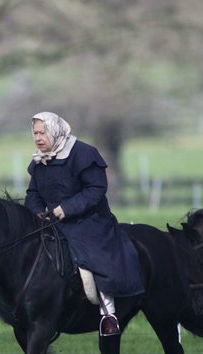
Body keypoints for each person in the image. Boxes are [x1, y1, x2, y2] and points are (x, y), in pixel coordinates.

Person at [25, 111, 144, 336]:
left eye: (42, 132)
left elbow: (95, 190)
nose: (38, 138)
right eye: (35, 133)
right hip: (50, 222)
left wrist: (65, 209)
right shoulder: (40, 160)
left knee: (91, 257)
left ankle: (108, 314)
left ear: (55, 130)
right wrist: (38, 212)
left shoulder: (84, 154)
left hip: (88, 221)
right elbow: (33, 193)